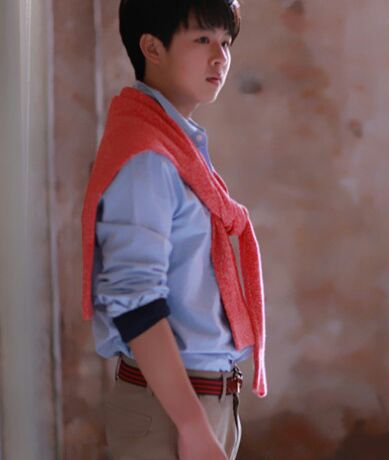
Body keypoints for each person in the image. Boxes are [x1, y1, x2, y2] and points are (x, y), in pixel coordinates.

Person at [80, 1, 267, 459]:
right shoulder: (147, 157)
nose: (220, 57)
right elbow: (135, 302)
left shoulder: (176, 145)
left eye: (226, 42)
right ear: (152, 48)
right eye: (202, 39)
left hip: (198, 402)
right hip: (170, 412)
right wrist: (192, 424)